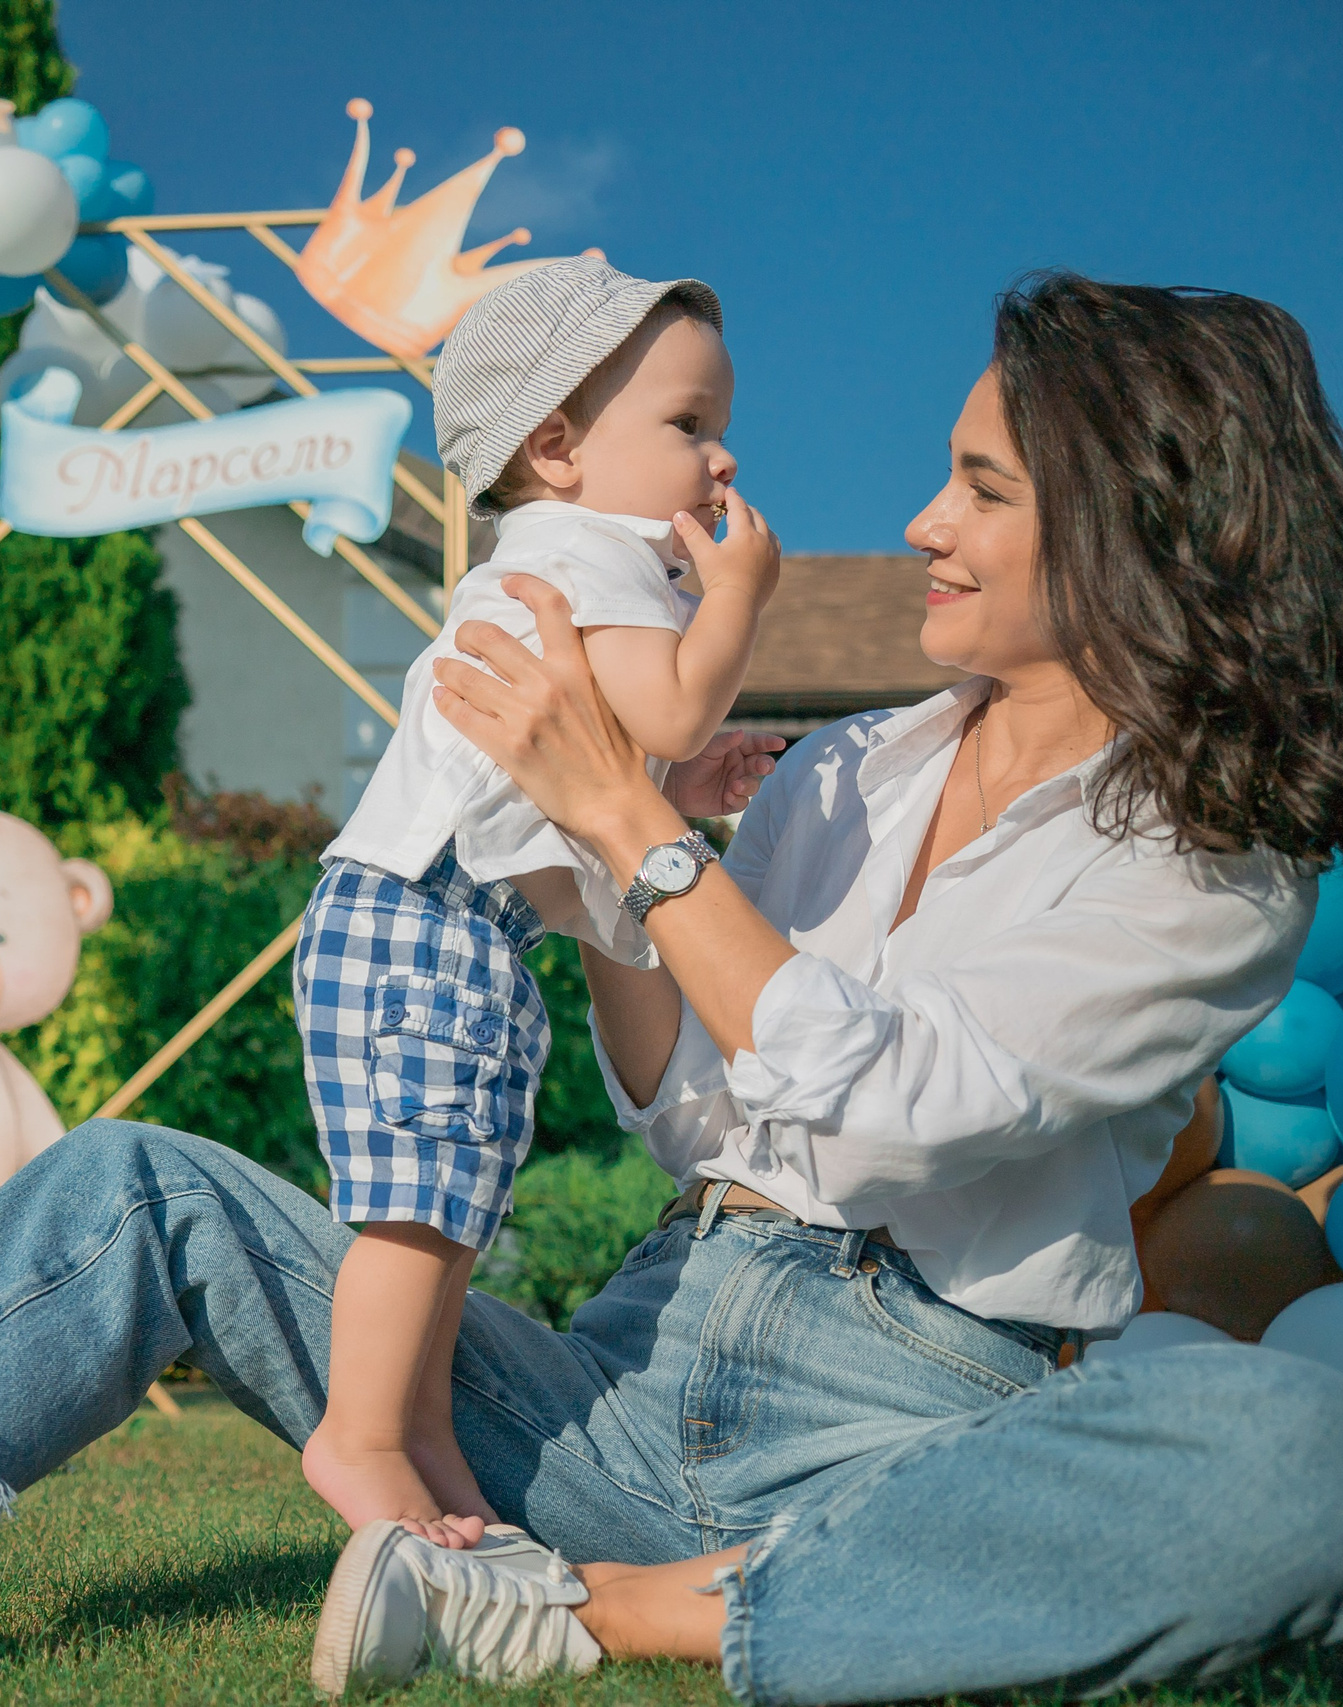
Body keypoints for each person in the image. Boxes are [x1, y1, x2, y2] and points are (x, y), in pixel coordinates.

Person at [0, 273, 1343, 1707]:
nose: (925, 521)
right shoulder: (849, 767)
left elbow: (898, 1111)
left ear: (1139, 520)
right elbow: (689, 1106)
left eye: (976, 485)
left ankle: (586, 1618)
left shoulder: (1206, 858)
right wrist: (598, 874)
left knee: (1308, 1452)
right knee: (140, 1180)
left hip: (907, 1422)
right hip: (620, 1382)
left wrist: (635, 825)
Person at [299, 256, 778, 1549]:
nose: (721, 457)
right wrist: (737, 598)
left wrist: (687, 785)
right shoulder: (584, 554)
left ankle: (424, 1435)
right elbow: (669, 711)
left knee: (454, 1204)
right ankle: (361, 1434)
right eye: (688, 424)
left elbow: (622, 760)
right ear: (557, 448)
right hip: (426, 916)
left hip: (452, 924)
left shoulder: (579, 561)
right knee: (420, 1208)